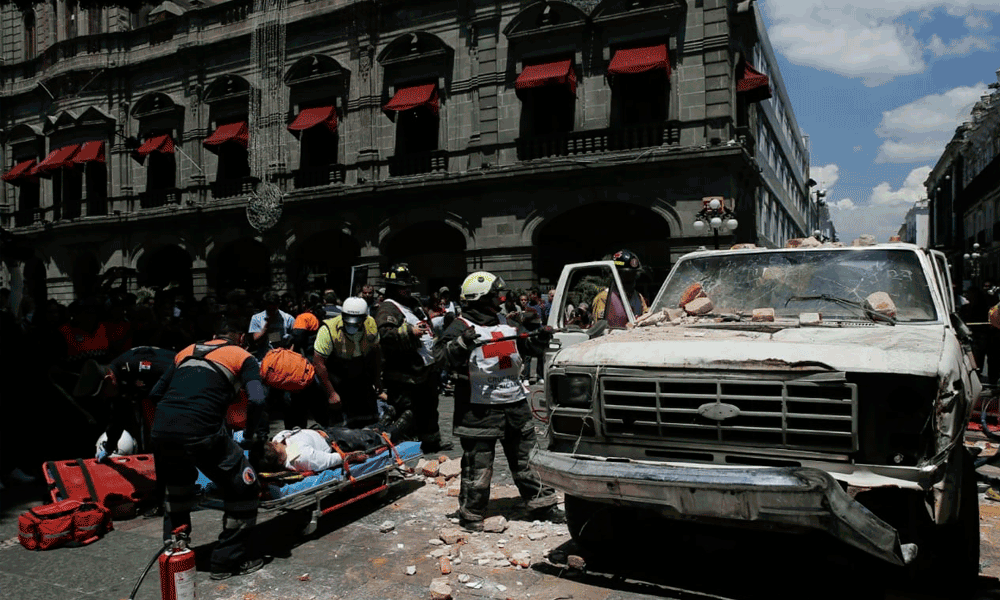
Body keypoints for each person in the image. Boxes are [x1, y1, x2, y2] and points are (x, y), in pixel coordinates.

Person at [435, 271, 559, 531]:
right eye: (496, 295)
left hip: (514, 404)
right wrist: (460, 344)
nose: (501, 300)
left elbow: (525, 348)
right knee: (478, 467)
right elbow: (440, 360)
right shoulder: (460, 326)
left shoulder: (506, 324)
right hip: (478, 410)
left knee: (528, 459)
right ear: (480, 299)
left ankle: (543, 505)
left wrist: (540, 340)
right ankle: (472, 515)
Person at [149, 315, 267, 580]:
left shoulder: (186, 352)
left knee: (178, 487)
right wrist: (249, 434)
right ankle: (227, 561)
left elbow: (155, 393)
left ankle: (175, 551)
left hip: (162, 430)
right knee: (245, 486)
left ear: (214, 335)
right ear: (241, 337)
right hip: (200, 430)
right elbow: (258, 398)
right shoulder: (242, 355)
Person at [375, 263, 452, 453]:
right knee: (406, 412)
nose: (407, 290)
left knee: (429, 409)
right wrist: (409, 331)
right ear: (393, 288)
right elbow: (383, 334)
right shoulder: (388, 308)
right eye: (403, 287)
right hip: (404, 374)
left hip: (425, 370)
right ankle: (403, 448)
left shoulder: (413, 305)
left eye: (409, 286)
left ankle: (431, 444)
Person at [72, 346, 177, 457]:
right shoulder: (118, 384)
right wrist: (109, 447)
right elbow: (118, 417)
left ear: (109, 379)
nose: (107, 398)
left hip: (187, 375)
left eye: (104, 394)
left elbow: (176, 371)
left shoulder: (136, 364)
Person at [313, 297, 383, 429]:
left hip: (361, 373)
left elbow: (376, 353)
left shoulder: (371, 324)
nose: (352, 325)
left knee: (367, 419)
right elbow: (318, 363)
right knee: (340, 422)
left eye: (357, 322)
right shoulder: (328, 330)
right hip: (337, 376)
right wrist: (331, 393)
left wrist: (377, 378)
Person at [592, 249, 649, 328]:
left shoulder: (638, 297)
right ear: (616, 275)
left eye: (634, 274)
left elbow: (646, 317)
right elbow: (600, 329)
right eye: (627, 275)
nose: (631, 279)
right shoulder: (604, 298)